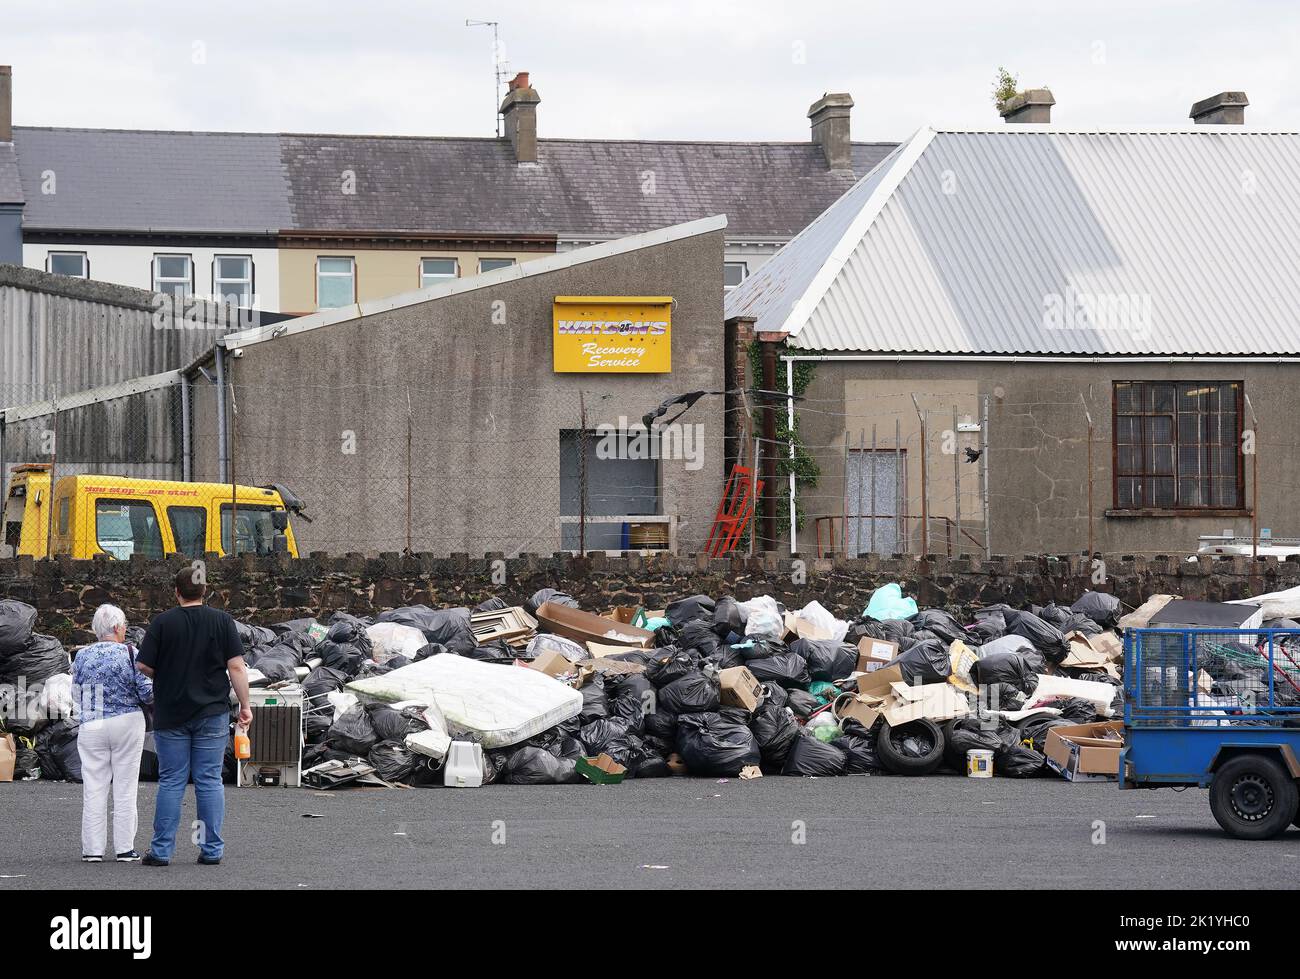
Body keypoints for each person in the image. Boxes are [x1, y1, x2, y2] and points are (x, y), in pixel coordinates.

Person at [135, 567, 252, 867]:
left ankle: (162, 851)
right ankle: (210, 849)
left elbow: (144, 667)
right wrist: (245, 705)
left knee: (172, 780)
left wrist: (169, 669)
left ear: (176, 592)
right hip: (211, 712)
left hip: (171, 713)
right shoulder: (222, 621)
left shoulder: (163, 623)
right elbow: (236, 667)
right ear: (205, 591)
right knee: (209, 780)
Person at [72, 604, 154, 863]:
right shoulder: (131, 653)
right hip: (126, 721)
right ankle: (124, 849)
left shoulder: (82, 656)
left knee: (94, 787)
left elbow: (75, 694)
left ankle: (93, 850)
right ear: (118, 628)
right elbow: (147, 692)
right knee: (125, 786)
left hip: (92, 724)